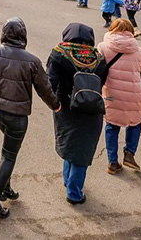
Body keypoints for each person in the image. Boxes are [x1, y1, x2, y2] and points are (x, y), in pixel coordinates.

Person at [0, 17, 59, 219]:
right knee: (9, 155)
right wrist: (56, 105)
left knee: (7, 152)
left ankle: (5, 188)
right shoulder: (32, 61)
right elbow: (45, 89)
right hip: (17, 116)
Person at [46, 23, 107, 204]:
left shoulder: (59, 54)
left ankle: (69, 183)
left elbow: (50, 82)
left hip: (65, 106)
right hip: (92, 107)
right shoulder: (99, 58)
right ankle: (74, 192)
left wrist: (55, 104)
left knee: (70, 142)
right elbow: (102, 82)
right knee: (83, 149)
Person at [97, 18, 141, 174]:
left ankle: (112, 162)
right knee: (135, 123)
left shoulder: (102, 47)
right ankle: (129, 153)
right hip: (135, 96)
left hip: (111, 95)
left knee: (112, 126)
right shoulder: (139, 51)